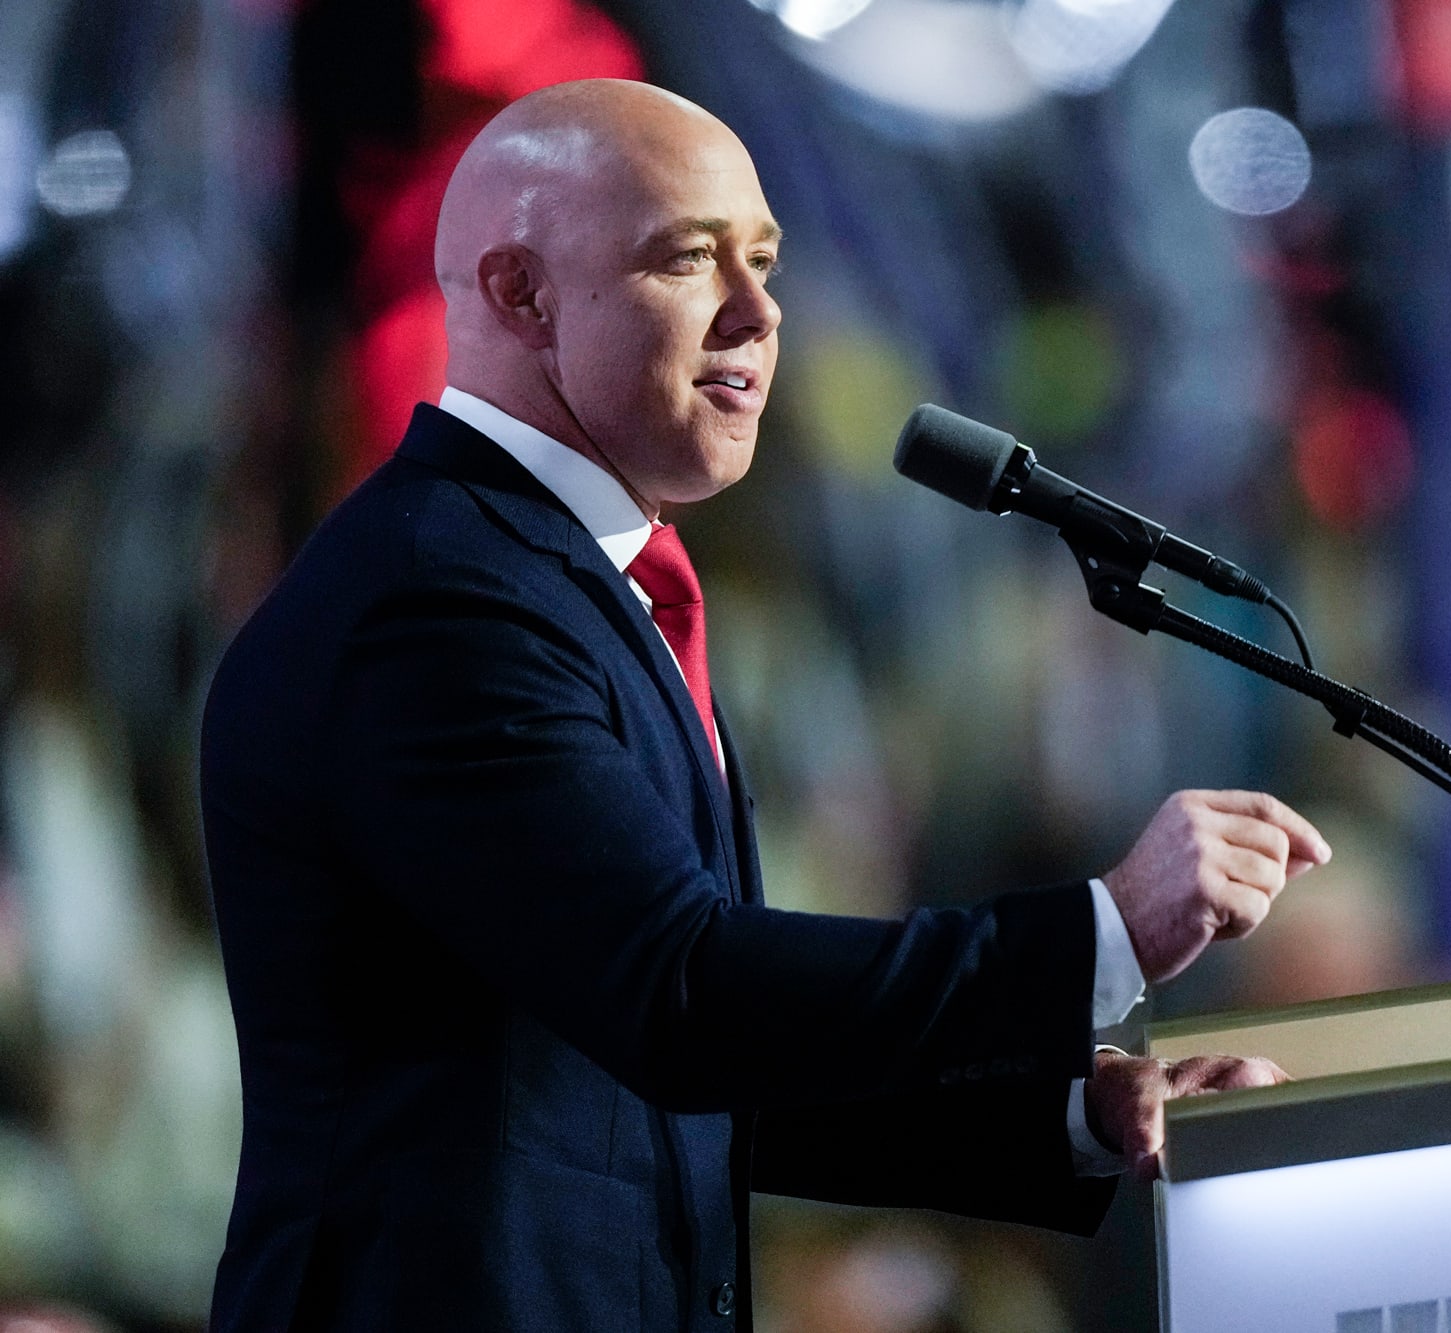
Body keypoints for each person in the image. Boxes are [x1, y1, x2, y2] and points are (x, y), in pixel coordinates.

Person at [200, 78, 1329, 1331]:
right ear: (519, 292)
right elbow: (682, 997)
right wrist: (1099, 930)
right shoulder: (438, 607)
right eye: (689, 260)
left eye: (766, 262)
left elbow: (691, 1079)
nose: (757, 314)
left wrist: (1073, 1110)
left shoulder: (568, 584)